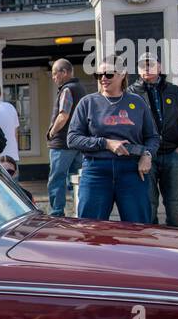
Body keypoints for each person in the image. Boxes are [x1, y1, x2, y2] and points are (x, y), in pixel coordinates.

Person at [67, 62, 159, 222]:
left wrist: (148, 154)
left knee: (138, 229)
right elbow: (72, 139)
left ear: (122, 74)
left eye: (109, 74)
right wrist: (106, 143)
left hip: (132, 170)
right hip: (96, 171)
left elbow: (153, 137)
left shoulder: (137, 102)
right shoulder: (87, 103)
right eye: (99, 75)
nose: (103, 78)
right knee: (91, 229)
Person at [128, 53, 178, 226]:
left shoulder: (176, 91)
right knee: (148, 204)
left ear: (160, 67)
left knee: (175, 205)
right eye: (142, 65)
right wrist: (138, 151)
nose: (146, 68)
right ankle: (152, 247)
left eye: (151, 64)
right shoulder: (131, 93)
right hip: (146, 156)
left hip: (173, 154)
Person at [45, 58, 87, 218]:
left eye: (55, 74)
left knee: (57, 178)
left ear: (65, 72)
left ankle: (56, 213)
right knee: (78, 179)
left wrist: (51, 132)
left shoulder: (67, 90)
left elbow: (63, 115)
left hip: (62, 143)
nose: (54, 77)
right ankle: (81, 211)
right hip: (79, 142)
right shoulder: (81, 89)